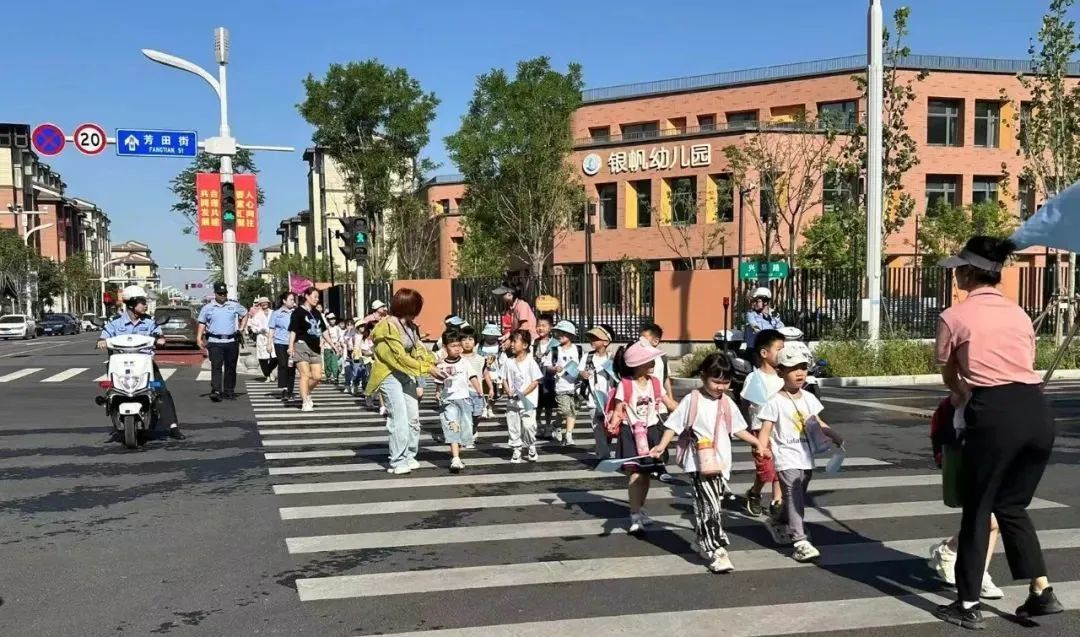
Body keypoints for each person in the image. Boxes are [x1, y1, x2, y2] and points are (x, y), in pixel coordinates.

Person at [932, 237, 1063, 629]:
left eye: (959, 267)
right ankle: (1041, 591)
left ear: (969, 272)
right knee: (1012, 505)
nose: (955, 273)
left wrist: (961, 395)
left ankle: (967, 603)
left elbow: (949, 372)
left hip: (993, 412)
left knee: (978, 509)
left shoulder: (954, 316)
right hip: (1036, 411)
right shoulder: (1019, 313)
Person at [649, 352, 764, 573]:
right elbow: (673, 425)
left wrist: (757, 442)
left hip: (720, 463)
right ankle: (717, 550)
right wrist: (662, 446)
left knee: (710, 506)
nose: (721, 387)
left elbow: (738, 428)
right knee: (710, 507)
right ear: (703, 376)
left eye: (725, 382)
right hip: (698, 463)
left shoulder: (726, 402)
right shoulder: (692, 400)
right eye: (716, 381)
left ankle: (701, 540)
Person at [756, 348, 844, 563]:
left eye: (803, 368)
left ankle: (779, 519)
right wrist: (762, 447)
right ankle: (800, 541)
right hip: (786, 457)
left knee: (796, 495)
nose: (799, 373)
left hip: (805, 455)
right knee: (794, 495)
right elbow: (766, 428)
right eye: (793, 368)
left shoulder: (809, 398)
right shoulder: (774, 401)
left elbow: (818, 421)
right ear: (780, 372)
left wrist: (834, 435)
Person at [366, 288, 445, 475]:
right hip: (388, 374)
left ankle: (409, 454)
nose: (417, 311)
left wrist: (434, 360)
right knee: (399, 418)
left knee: (413, 417)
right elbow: (398, 357)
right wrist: (427, 368)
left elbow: (418, 349)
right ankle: (397, 460)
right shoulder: (387, 326)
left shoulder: (410, 326)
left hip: (406, 374)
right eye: (415, 307)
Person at [97, 285, 185, 440]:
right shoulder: (116, 323)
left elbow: (159, 335)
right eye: (142, 302)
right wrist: (102, 341)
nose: (145, 305)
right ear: (132, 304)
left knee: (161, 391)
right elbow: (104, 335)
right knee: (110, 388)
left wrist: (160, 340)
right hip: (121, 366)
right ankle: (112, 407)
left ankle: (172, 426)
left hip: (145, 365)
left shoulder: (149, 323)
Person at [610, 341, 679, 534]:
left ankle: (640, 509)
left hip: (651, 432)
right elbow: (618, 410)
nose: (654, 363)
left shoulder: (655, 383)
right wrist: (612, 423)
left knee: (646, 475)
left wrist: (691, 410)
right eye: (649, 360)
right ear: (637, 364)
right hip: (630, 433)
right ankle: (634, 515)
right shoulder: (625, 384)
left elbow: (669, 403)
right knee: (635, 475)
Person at [740, 328, 787, 517]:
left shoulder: (784, 377)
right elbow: (745, 402)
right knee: (766, 469)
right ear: (764, 353)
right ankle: (755, 492)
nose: (782, 353)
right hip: (760, 431)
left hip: (782, 430)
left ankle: (777, 500)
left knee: (780, 467)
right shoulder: (754, 378)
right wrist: (747, 424)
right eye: (779, 349)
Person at [435, 329, 482, 473]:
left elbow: (472, 376)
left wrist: (479, 390)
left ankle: (457, 456)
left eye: (458, 345)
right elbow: (439, 382)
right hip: (449, 401)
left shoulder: (465, 363)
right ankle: (455, 458)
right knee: (452, 427)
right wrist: (438, 392)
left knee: (463, 429)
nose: (456, 348)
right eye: (452, 346)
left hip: (464, 400)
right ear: (445, 347)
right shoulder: (441, 365)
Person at [196, 282, 249, 402]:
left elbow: (245, 314)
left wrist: (241, 328)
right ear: (215, 293)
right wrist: (198, 338)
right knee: (216, 366)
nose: (223, 295)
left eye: (224, 293)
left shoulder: (233, 305)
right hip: (215, 341)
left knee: (231, 367)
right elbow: (202, 323)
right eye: (220, 293)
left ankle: (229, 390)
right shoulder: (208, 308)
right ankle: (216, 390)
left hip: (231, 341)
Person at [640, 323, 675, 483]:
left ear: (655, 341)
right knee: (646, 436)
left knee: (661, 436)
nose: (640, 340)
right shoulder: (638, 357)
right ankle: (649, 464)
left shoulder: (662, 358)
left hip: (660, 404)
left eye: (644, 337)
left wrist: (671, 399)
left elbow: (665, 379)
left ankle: (661, 466)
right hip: (643, 405)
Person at [502, 329, 543, 463]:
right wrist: (508, 391)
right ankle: (516, 449)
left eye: (515, 342)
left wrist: (523, 393)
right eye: (512, 342)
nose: (512, 345)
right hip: (512, 401)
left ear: (525, 345)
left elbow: (535, 381)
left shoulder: (531, 362)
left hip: (527, 401)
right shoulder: (508, 362)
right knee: (513, 426)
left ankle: (531, 445)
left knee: (528, 425)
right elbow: (504, 378)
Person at [580, 325, 616, 459]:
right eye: (591, 338)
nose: (592, 341)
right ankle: (604, 455)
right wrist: (582, 374)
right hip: (593, 399)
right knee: (597, 427)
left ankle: (602, 448)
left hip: (611, 399)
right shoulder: (587, 357)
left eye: (596, 338)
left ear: (606, 342)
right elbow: (580, 371)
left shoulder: (612, 358)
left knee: (608, 427)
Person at [287, 287, 326, 413]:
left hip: (315, 347)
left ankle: (305, 392)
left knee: (317, 376)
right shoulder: (298, 312)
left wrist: (333, 344)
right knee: (305, 375)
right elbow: (293, 331)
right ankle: (305, 401)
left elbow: (323, 330)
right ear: (307, 296)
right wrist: (290, 346)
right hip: (301, 345)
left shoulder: (316, 313)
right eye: (315, 296)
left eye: (318, 297)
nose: (317, 299)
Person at [548, 320, 581, 445]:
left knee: (573, 410)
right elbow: (548, 367)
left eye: (563, 333)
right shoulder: (555, 350)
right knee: (565, 410)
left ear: (571, 335)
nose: (560, 335)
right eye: (558, 332)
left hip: (576, 385)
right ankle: (556, 424)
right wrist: (555, 368)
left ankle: (568, 434)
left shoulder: (578, 349)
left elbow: (582, 365)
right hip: (561, 385)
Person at [532, 313, 557, 439]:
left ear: (550, 327)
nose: (540, 328)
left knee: (548, 404)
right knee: (536, 404)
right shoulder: (534, 343)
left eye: (544, 325)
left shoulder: (555, 344)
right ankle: (537, 424)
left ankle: (548, 425)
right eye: (538, 325)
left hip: (550, 379)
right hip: (536, 379)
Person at [269, 291, 297, 402]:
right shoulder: (276, 313)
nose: (293, 302)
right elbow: (272, 329)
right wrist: (269, 343)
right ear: (284, 301)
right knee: (283, 365)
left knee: (291, 366)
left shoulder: (296, 312)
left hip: (293, 343)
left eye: (293, 300)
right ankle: (284, 389)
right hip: (280, 342)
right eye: (291, 299)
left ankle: (290, 390)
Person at [459, 325, 487, 426]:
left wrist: (490, 388)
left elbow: (485, 374)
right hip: (463, 393)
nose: (467, 342)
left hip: (477, 392)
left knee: (477, 414)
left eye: (470, 339)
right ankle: (468, 432)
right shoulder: (458, 359)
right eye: (464, 340)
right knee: (465, 415)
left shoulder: (481, 359)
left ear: (475, 342)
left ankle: (473, 429)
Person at [744, 287, 784, 355]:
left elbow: (781, 329)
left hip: (770, 349)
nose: (753, 303)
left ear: (765, 302)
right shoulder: (750, 314)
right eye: (753, 301)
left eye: (757, 301)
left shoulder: (774, 314)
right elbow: (755, 328)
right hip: (754, 349)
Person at [247, 296, 275, 382]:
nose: (264, 304)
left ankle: (269, 370)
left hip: (273, 336)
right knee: (263, 358)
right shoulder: (257, 315)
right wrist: (259, 330)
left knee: (275, 357)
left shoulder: (273, 313)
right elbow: (253, 326)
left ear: (268, 303)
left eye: (266, 302)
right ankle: (267, 375)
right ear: (260, 304)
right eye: (262, 303)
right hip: (261, 337)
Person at [479, 324, 503, 417]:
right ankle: (485, 408)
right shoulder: (480, 345)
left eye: (493, 336)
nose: (491, 339)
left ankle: (490, 407)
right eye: (489, 336)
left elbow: (503, 359)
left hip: (496, 372)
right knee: (485, 391)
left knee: (496, 392)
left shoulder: (500, 346)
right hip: (484, 372)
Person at [322, 313, 343, 384]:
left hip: (335, 348)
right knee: (327, 363)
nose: (333, 320)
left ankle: (335, 377)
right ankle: (328, 377)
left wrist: (339, 345)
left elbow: (340, 337)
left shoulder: (337, 328)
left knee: (334, 363)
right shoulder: (325, 328)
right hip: (327, 347)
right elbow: (322, 337)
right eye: (331, 319)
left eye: (334, 319)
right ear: (328, 320)